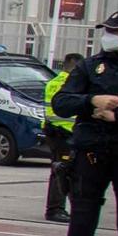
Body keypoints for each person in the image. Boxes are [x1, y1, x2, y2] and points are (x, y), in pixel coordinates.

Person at [45, 9, 118, 236]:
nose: (109, 35)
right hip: (90, 153)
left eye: (116, 30)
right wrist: (92, 102)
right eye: (107, 29)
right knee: (81, 225)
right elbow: (62, 102)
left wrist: (116, 117)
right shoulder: (90, 66)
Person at [42, 52, 82, 224]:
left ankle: (58, 208)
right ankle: (55, 209)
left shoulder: (53, 82)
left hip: (54, 131)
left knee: (60, 170)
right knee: (62, 172)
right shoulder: (69, 84)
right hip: (65, 133)